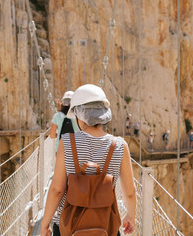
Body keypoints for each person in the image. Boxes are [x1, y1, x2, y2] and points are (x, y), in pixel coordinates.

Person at [41, 84, 136, 236]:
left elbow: (56, 190)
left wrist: (45, 224)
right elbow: (130, 192)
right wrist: (131, 216)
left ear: (79, 115)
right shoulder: (120, 146)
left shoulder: (67, 142)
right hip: (106, 226)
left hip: (67, 227)